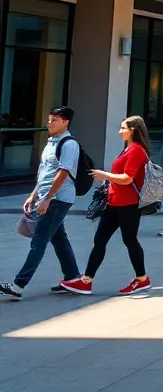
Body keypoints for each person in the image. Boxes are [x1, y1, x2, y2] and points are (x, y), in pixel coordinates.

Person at [60, 116, 152, 297]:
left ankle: (142, 279)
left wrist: (105, 175)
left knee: (130, 241)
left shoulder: (136, 151)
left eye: (123, 128)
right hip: (114, 203)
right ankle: (86, 281)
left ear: (133, 130)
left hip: (129, 205)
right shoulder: (128, 149)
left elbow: (127, 178)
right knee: (100, 240)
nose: (120, 131)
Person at [0, 106, 81, 301]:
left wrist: (47, 199)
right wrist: (34, 194)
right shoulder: (51, 142)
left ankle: (18, 285)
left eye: (55, 119)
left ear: (65, 122)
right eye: (49, 119)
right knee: (59, 238)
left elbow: (62, 174)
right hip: (47, 197)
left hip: (58, 199)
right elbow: (45, 173)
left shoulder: (69, 144)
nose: (50, 122)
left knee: (39, 241)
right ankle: (74, 278)